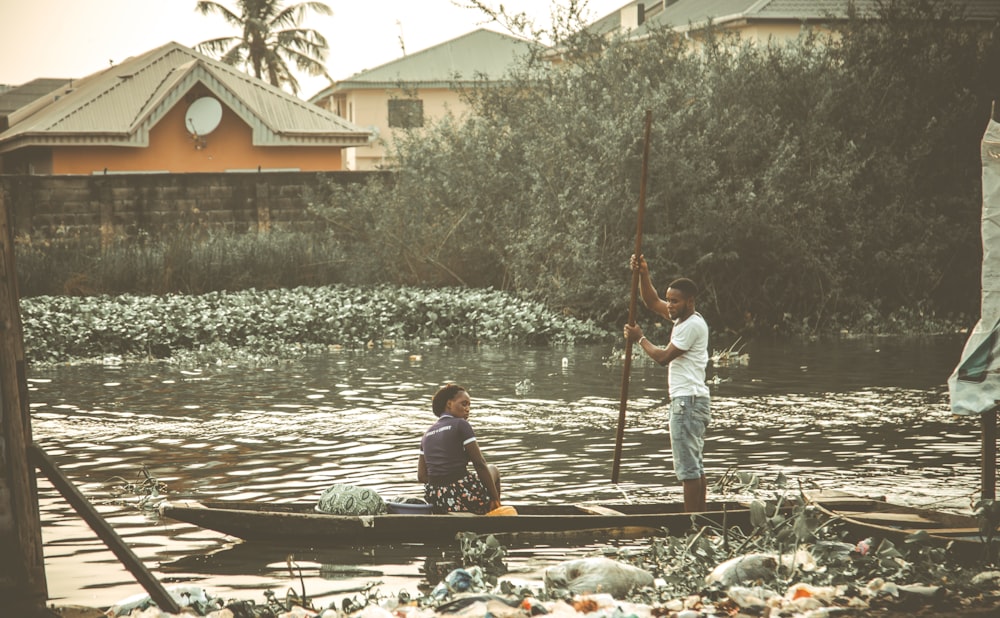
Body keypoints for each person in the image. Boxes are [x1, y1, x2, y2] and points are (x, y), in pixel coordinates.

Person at [623, 254, 711, 512]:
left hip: (687, 404)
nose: (670, 305)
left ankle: (691, 522)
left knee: (689, 469)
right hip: (693, 402)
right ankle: (699, 519)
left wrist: (640, 339)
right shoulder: (681, 318)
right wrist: (643, 273)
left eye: (675, 301)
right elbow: (651, 301)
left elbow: (662, 358)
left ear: (690, 302)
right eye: (669, 300)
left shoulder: (691, 326)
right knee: (695, 466)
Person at [417, 383, 502, 514]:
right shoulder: (461, 424)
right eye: (464, 404)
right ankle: (493, 508)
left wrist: (443, 484)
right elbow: (479, 463)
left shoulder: (426, 434)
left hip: (436, 498)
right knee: (493, 469)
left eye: (469, 405)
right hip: (461, 494)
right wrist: (495, 497)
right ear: (449, 404)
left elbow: (422, 476)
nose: (467, 409)